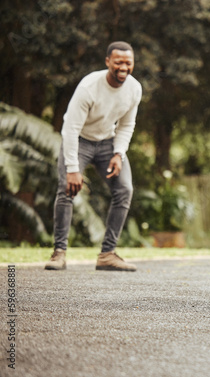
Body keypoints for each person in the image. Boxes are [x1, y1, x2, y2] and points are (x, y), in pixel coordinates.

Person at [45, 41, 142, 271]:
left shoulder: (134, 88)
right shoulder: (89, 86)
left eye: (128, 62)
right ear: (108, 61)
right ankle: (59, 253)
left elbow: (127, 125)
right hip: (79, 142)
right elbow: (70, 129)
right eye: (118, 62)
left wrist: (119, 153)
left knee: (124, 190)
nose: (123, 67)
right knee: (66, 191)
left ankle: (107, 254)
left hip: (108, 142)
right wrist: (72, 169)